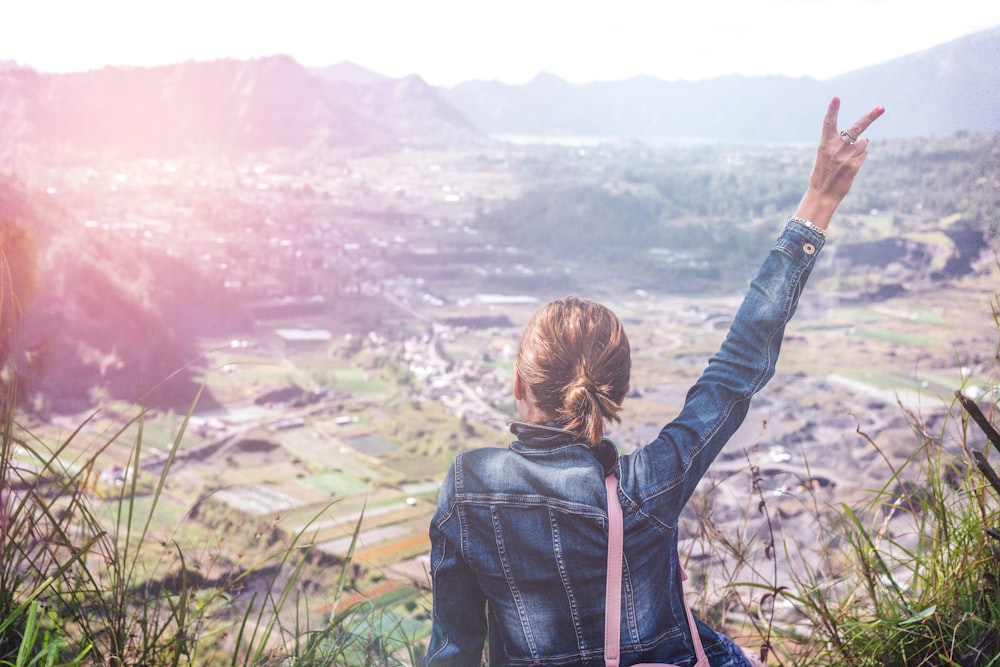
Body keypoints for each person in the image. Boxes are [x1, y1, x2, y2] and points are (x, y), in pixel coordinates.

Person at [425, 98, 885, 667]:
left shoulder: (468, 487)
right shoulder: (649, 487)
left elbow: (454, 649)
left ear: (519, 383)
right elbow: (737, 367)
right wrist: (820, 200)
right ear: (615, 393)